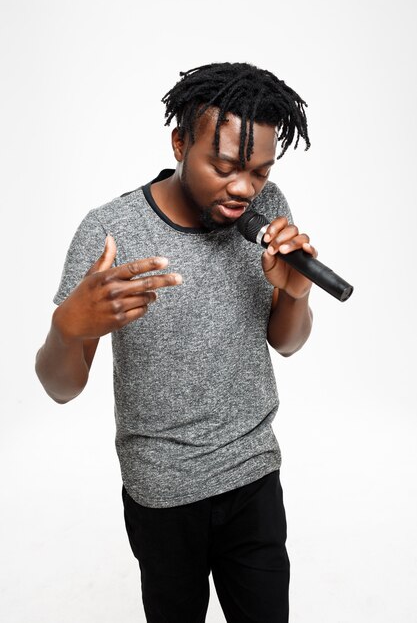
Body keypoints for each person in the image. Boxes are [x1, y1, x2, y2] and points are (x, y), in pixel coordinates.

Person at [35, 62, 316, 623]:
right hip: (161, 491)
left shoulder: (267, 208)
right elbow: (60, 388)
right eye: (224, 166)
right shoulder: (110, 233)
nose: (244, 187)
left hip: (253, 472)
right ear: (180, 141)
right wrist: (69, 327)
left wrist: (296, 294)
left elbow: (287, 344)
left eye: (260, 171)